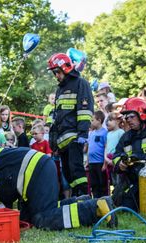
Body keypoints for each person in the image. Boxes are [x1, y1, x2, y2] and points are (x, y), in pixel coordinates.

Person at [0, 127, 118, 230]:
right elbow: (1, 203)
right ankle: (81, 201)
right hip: (38, 166)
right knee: (29, 215)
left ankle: (94, 208)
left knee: (42, 218)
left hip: (34, 171)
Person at [47, 53, 93, 196]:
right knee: (67, 172)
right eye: (54, 73)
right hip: (62, 141)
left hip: (75, 137)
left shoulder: (81, 83)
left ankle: (84, 197)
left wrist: (82, 134)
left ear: (65, 67)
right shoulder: (60, 89)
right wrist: (54, 142)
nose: (56, 76)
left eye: (57, 72)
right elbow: (57, 116)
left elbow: (85, 111)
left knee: (76, 170)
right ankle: (76, 197)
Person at [86, 111, 108, 198]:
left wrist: (105, 163)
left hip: (100, 163)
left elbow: (106, 147)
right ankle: (95, 201)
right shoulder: (91, 133)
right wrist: (87, 161)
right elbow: (89, 148)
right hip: (92, 163)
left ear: (99, 120)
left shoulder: (104, 132)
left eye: (92, 120)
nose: (91, 122)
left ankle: (104, 201)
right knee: (94, 183)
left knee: (102, 183)